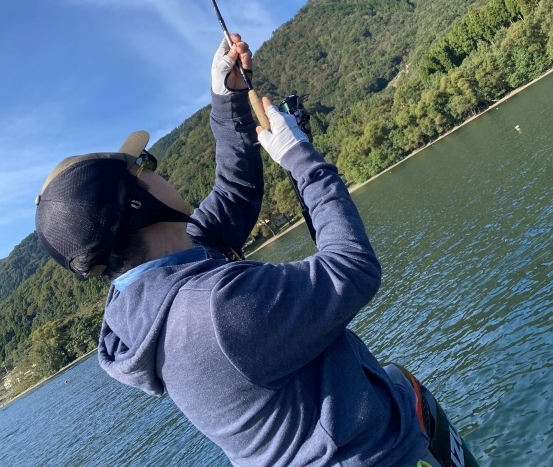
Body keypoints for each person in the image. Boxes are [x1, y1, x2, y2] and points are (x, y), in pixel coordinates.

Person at [36, 35, 478, 467]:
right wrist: (301, 156)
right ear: (136, 204)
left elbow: (235, 191)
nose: (157, 170)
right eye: (145, 166)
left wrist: (226, 98)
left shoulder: (151, 295)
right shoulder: (212, 311)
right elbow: (351, 269)